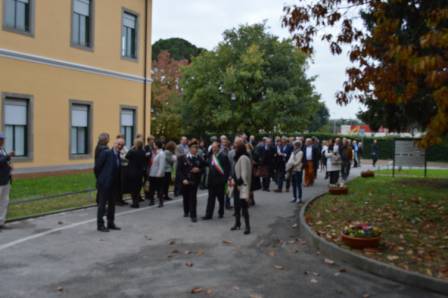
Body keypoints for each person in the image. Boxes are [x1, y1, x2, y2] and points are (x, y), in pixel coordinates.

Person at [95, 138, 125, 232]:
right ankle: (100, 225)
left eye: (122, 145)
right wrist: (101, 179)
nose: (120, 146)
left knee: (112, 204)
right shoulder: (106, 153)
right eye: (118, 144)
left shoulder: (118, 155)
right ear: (114, 143)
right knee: (102, 205)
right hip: (104, 183)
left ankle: (110, 223)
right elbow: (97, 167)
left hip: (114, 184)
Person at [177, 142, 204, 222]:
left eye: (196, 148)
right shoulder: (182, 158)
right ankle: (186, 211)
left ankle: (193, 215)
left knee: (193, 198)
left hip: (194, 181)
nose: (194, 149)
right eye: (193, 147)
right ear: (189, 148)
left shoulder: (199, 158)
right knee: (185, 197)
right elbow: (179, 170)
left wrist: (199, 170)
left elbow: (203, 168)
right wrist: (183, 179)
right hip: (185, 180)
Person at [202, 141, 230, 220]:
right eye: (212, 147)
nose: (213, 149)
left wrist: (225, 180)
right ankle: (208, 214)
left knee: (220, 199)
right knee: (210, 199)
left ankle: (221, 212)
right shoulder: (211, 156)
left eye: (215, 147)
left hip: (220, 182)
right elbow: (208, 163)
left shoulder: (223, 156)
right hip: (211, 181)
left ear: (218, 147)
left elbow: (227, 169)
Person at [231, 140, 252, 235]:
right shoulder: (241, 157)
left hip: (241, 186)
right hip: (238, 185)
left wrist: (239, 183)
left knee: (244, 207)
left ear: (239, 148)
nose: (234, 149)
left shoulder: (243, 157)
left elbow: (244, 174)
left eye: (236, 147)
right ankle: (237, 223)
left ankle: (247, 227)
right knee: (236, 206)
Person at [125, 138, 146, 208]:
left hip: (132, 172)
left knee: (132, 188)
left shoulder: (133, 152)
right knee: (138, 187)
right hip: (140, 172)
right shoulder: (143, 152)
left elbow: (126, 156)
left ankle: (135, 202)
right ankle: (136, 201)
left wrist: (132, 148)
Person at [0, 133, 13, 229]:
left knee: (5, 201)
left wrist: (9, 168)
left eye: (3, 139)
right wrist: (8, 156)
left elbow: (5, 162)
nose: (2, 141)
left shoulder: (3, 150)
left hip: (6, 180)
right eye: (1, 139)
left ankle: (1, 221)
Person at [148, 141, 166, 207]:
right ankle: (152, 201)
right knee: (151, 188)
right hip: (152, 173)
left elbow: (162, 165)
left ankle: (161, 202)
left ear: (157, 145)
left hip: (158, 174)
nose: (153, 146)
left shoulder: (161, 153)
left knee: (159, 188)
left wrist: (159, 173)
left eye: (154, 144)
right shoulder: (155, 152)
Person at [94, 133, 110, 205]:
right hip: (102, 170)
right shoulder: (104, 149)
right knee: (103, 188)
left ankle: (99, 201)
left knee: (100, 187)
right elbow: (100, 163)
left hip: (100, 170)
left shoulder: (98, 147)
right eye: (108, 138)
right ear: (105, 140)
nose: (109, 140)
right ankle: (101, 203)